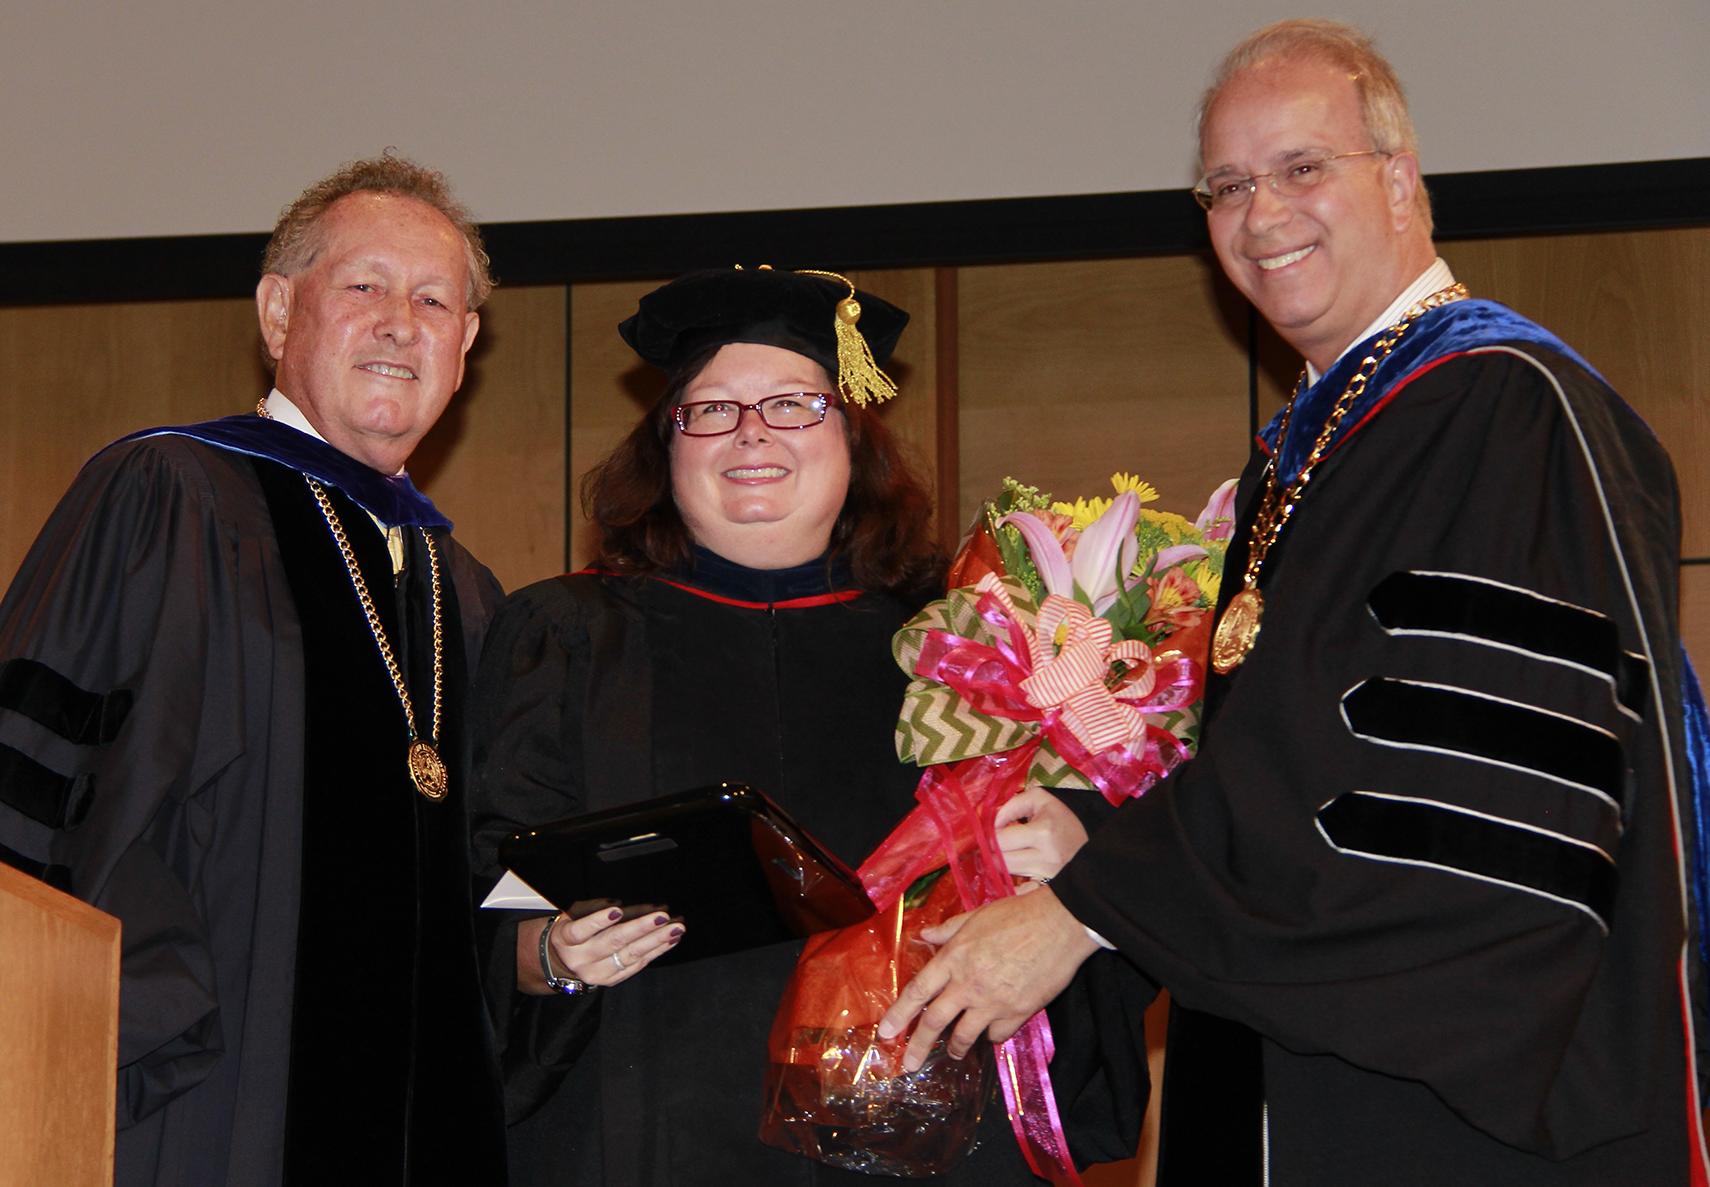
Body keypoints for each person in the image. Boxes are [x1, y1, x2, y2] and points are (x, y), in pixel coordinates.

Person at [879, 18, 1710, 1185]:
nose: (1260, 215)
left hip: (1461, 1109)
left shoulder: (1500, 409)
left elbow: (1440, 797)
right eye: (1225, 185)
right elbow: (1305, 752)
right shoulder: (1314, 448)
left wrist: (1090, 906)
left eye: (1302, 167)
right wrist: (1103, 835)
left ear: (1404, 178)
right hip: (1312, 1073)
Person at [468, 266, 1146, 1185]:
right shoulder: (565, 635)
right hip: (644, 1124)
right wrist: (543, 954)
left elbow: (1146, 838)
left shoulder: (969, 639)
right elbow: (475, 881)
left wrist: (1081, 839)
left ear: (853, 434)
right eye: (710, 409)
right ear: (666, 445)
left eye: (793, 404)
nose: (750, 432)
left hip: (923, 1125)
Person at [0, 155, 508, 1185]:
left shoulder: (467, 589)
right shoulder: (167, 493)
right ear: (279, 312)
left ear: (465, 345)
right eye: (363, 285)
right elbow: (33, 790)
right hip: (204, 1087)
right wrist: (149, 1020)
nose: (399, 321)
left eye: (433, 299)